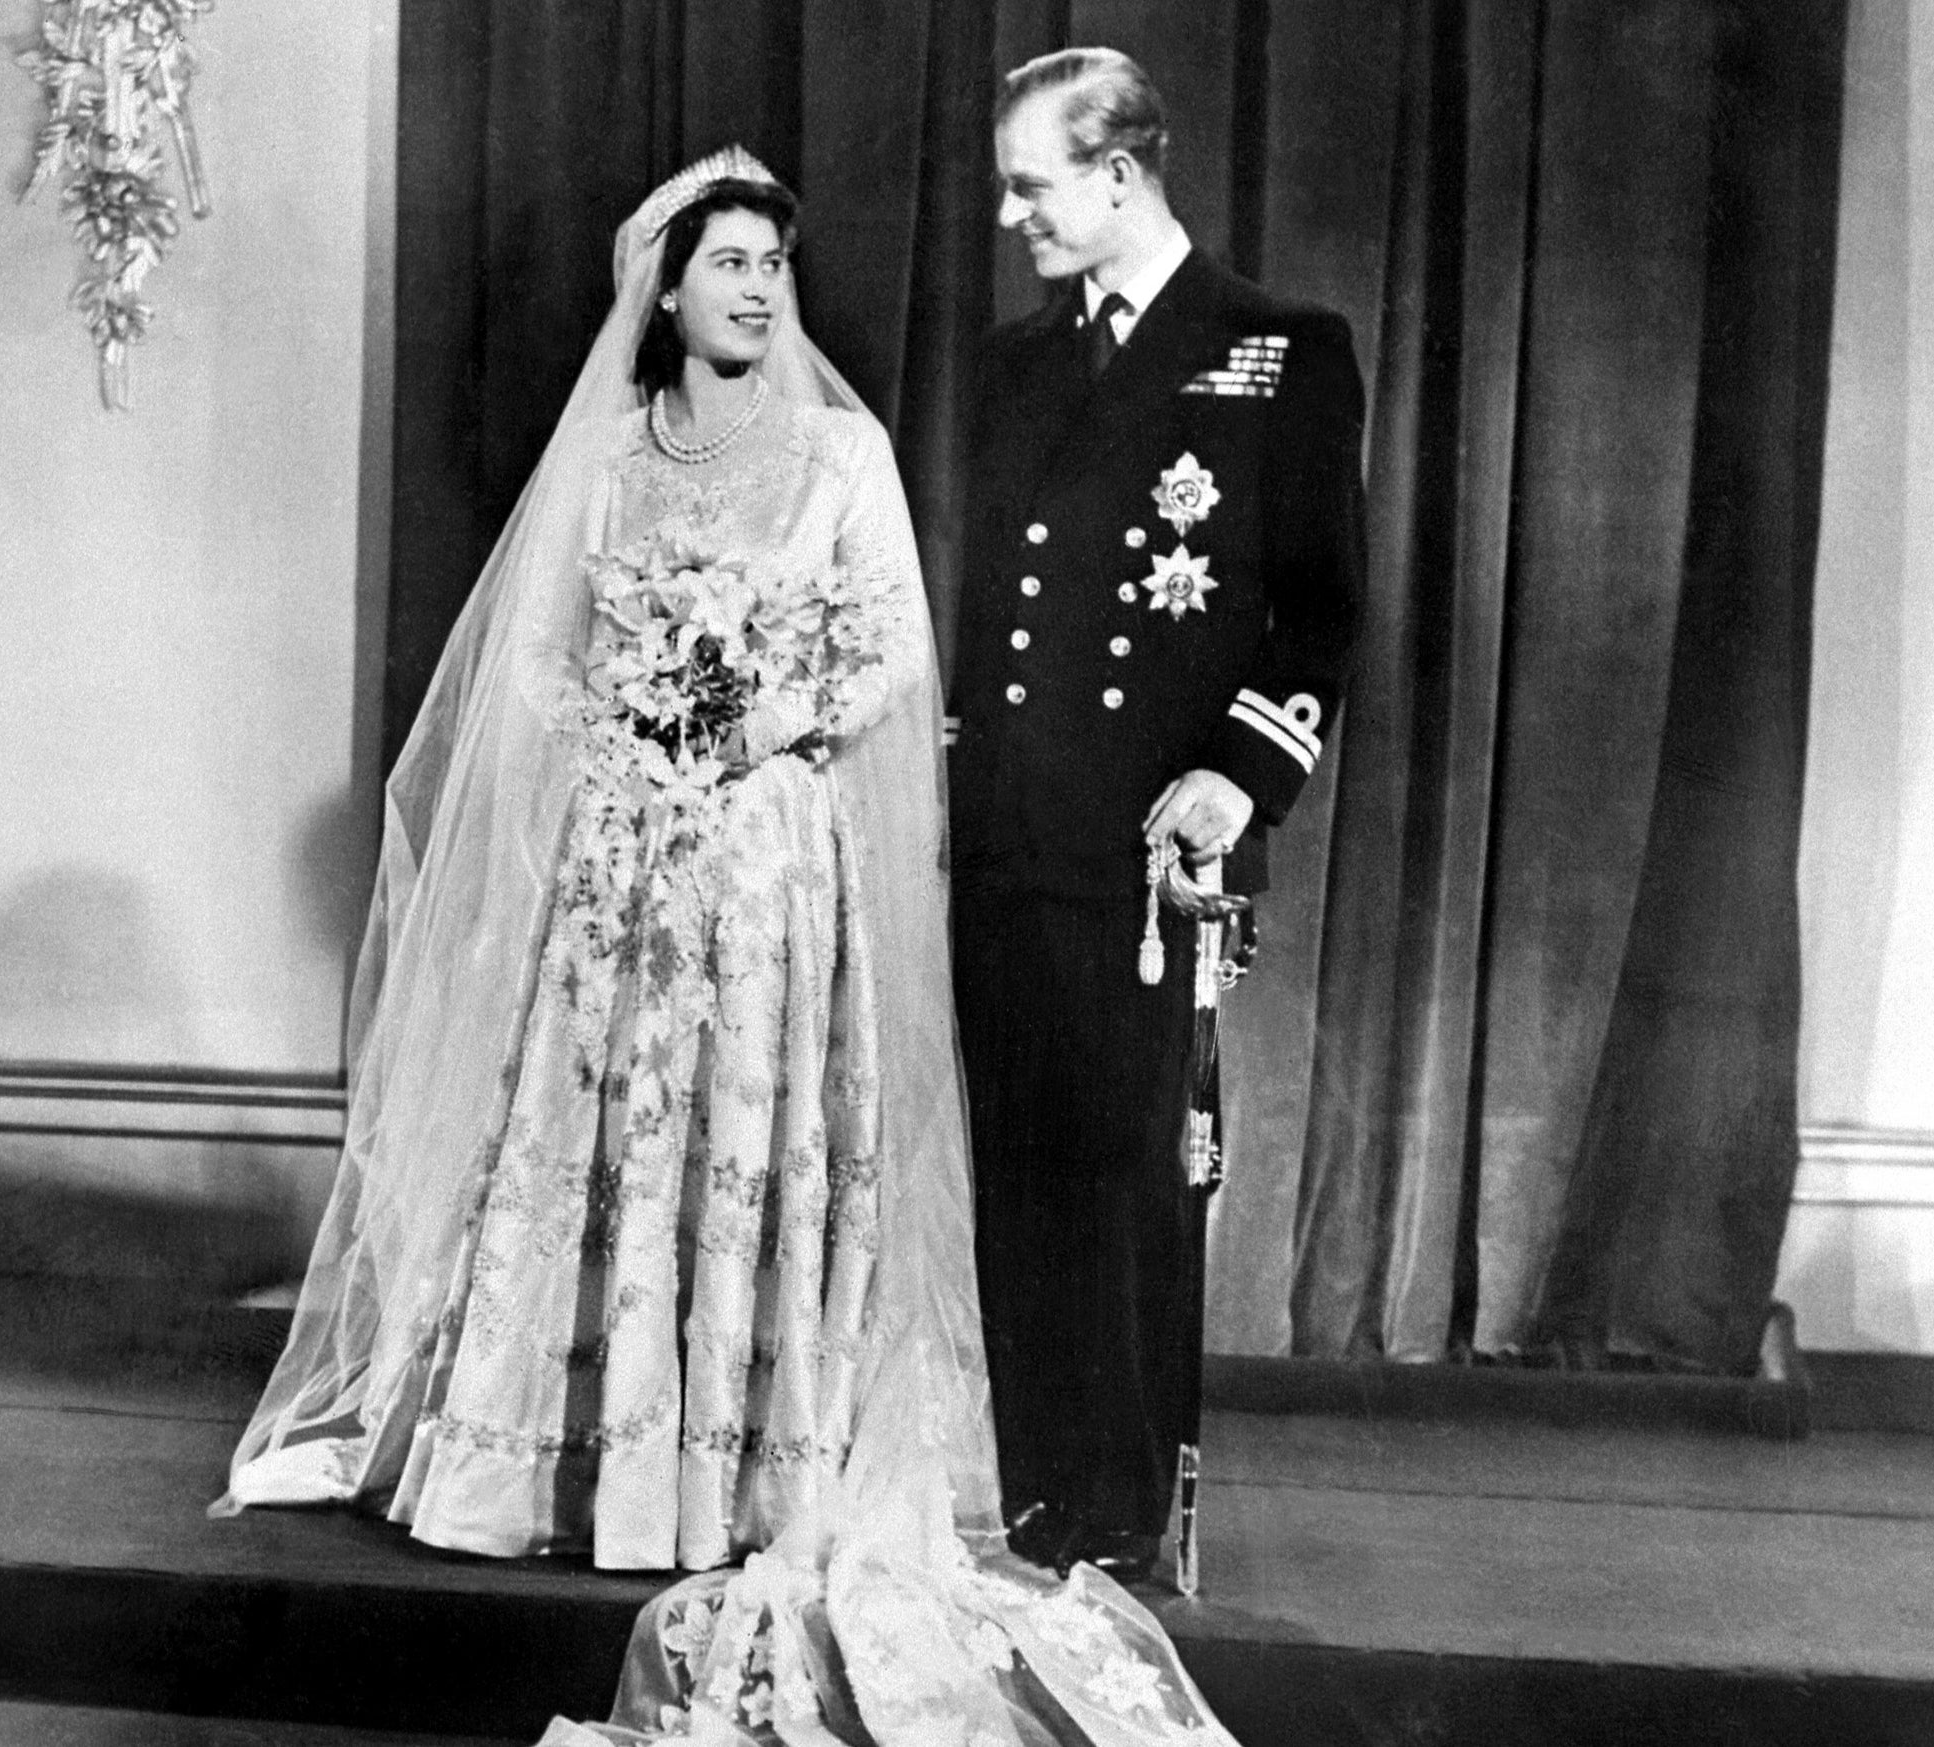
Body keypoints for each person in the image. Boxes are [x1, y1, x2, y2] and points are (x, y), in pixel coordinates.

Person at [221, 147, 1249, 1744]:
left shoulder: (842, 455)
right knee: (613, 1141)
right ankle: (580, 1471)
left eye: (774, 262)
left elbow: (892, 644)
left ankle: (739, 1479)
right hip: (625, 862)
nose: (758, 289)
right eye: (728, 265)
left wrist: (752, 718)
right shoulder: (609, 464)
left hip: (774, 852)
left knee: (755, 1144)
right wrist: (629, 747)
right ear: (664, 289)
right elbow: (541, 661)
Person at [949, 49, 1367, 1582]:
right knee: (1012, 1166)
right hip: (1006, 833)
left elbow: (1318, 615)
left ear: (1120, 174)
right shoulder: (1012, 365)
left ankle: (1119, 1512)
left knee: (1124, 1173)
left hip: (1147, 848)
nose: (1010, 217)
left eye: (1032, 184)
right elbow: (992, 611)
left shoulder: (1278, 348)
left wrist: (1240, 777)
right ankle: (1028, 1489)